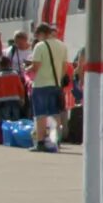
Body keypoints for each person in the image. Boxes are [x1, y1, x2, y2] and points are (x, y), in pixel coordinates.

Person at [28, 22, 70, 151]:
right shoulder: (62, 46)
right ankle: (55, 141)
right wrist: (57, 77)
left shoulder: (40, 46)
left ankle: (40, 142)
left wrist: (26, 68)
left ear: (41, 34)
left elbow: (35, 67)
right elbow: (64, 67)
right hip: (56, 85)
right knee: (54, 114)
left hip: (41, 85)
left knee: (40, 114)